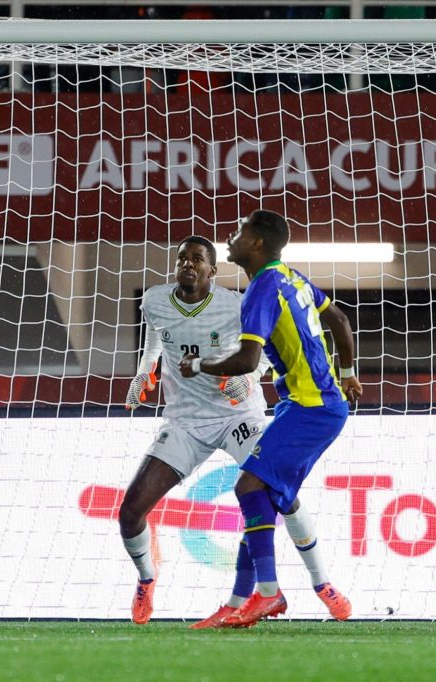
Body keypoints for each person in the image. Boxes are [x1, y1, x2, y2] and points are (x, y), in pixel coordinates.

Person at [122, 235, 352, 628]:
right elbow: (157, 337)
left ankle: (322, 583)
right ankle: (147, 578)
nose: (188, 264)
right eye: (182, 258)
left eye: (198, 259)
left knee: (280, 495)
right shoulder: (154, 300)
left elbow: (264, 349)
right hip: (185, 421)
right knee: (130, 512)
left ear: (212, 270)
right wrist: (145, 371)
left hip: (237, 416)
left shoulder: (236, 304)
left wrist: (251, 378)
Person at [192, 210, 363, 628]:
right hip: (311, 404)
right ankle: (240, 601)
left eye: (238, 231)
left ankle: (269, 593)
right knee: (265, 499)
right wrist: (347, 373)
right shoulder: (290, 277)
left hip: (312, 407)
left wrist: (198, 366)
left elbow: (247, 360)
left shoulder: (262, 289)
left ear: (256, 243)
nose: (230, 237)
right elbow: (339, 320)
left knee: (249, 486)